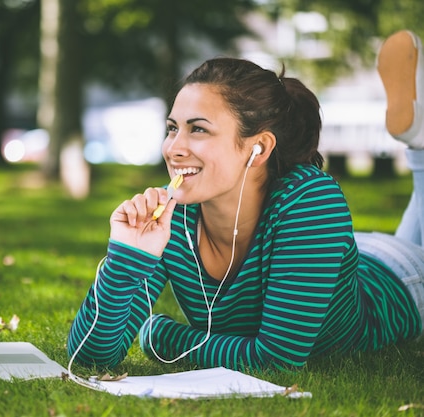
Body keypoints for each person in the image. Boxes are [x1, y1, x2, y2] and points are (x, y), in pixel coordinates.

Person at [67, 29, 424, 372]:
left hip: (399, 277)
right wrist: (126, 258)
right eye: (173, 128)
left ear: (260, 147)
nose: (173, 148)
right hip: (321, 252)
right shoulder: (170, 216)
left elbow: (277, 359)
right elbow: (89, 356)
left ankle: (417, 142)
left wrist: (164, 337)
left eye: (199, 129)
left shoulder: (312, 200)